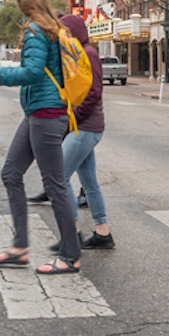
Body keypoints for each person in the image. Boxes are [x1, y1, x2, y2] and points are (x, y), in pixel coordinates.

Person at [0, 0, 82, 275]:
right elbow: (37, 68)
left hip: (47, 113)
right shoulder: (51, 27)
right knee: (11, 173)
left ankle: (70, 255)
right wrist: (3, 69)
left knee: (54, 184)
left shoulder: (37, 28)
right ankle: (20, 247)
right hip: (40, 110)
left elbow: (34, 72)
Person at [54, 14, 113, 250]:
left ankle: (73, 232)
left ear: (76, 31)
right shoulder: (77, 53)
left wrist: (71, 120)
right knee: (90, 183)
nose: (63, 37)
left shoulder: (87, 53)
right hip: (86, 126)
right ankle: (103, 234)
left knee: (60, 177)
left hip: (86, 127)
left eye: (66, 32)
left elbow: (93, 93)